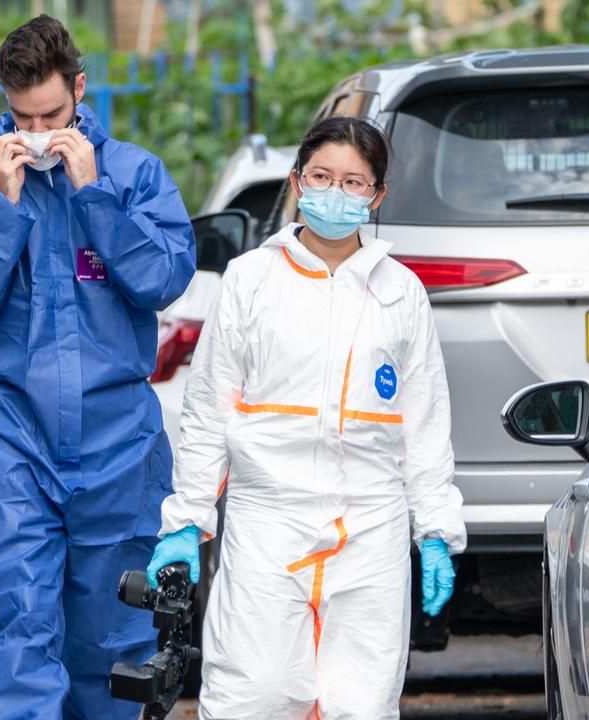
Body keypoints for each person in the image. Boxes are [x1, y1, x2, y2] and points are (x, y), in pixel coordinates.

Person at [0, 15, 195, 719]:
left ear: (80, 91)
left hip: (119, 444)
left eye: (53, 114)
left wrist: (94, 197)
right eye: (23, 117)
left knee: (111, 636)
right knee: (20, 623)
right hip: (14, 442)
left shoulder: (134, 174)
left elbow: (162, 280)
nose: (40, 131)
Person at [149, 116, 466, 719]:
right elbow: (207, 412)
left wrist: (436, 533)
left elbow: (425, 425)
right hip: (267, 522)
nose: (335, 192)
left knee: (363, 705)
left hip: (372, 528)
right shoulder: (250, 280)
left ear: (377, 196)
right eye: (322, 176)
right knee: (253, 695)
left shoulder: (401, 293)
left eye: (353, 183)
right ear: (297, 181)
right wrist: (187, 521)